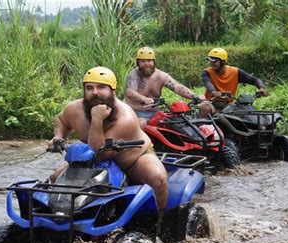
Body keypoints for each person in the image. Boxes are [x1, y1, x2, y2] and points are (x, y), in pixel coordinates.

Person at [48, 66, 168, 217]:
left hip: (132, 159)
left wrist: (97, 119)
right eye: (89, 88)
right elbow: (61, 120)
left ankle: (161, 221)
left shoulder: (126, 117)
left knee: (158, 178)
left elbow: (101, 151)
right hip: (91, 159)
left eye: (101, 87)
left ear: (113, 91)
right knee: (54, 179)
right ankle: (58, 217)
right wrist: (58, 136)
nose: (95, 92)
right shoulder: (74, 109)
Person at [124, 46, 201, 128]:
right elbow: (130, 92)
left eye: (149, 61)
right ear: (138, 63)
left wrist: (194, 97)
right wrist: (144, 99)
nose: (146, 64)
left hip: (154, 114)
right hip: (134, 113)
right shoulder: (134, 75)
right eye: (143, 61)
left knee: (173, 123)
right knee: (142, 123)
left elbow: (177, 87)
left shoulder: (160, 76)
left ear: (154, 62)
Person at [199, 47, 269, 118]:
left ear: (223, 62)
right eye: (210, 61)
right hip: (212, 103)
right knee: (205, 108)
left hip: (229, 104)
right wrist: (213, 91)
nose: (212, 64)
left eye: (214, 61)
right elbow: (207, 83)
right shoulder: (207, 72)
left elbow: (254, 80)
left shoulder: (235, 72)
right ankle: (202, 126)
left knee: (244, 112)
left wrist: (262, 88)